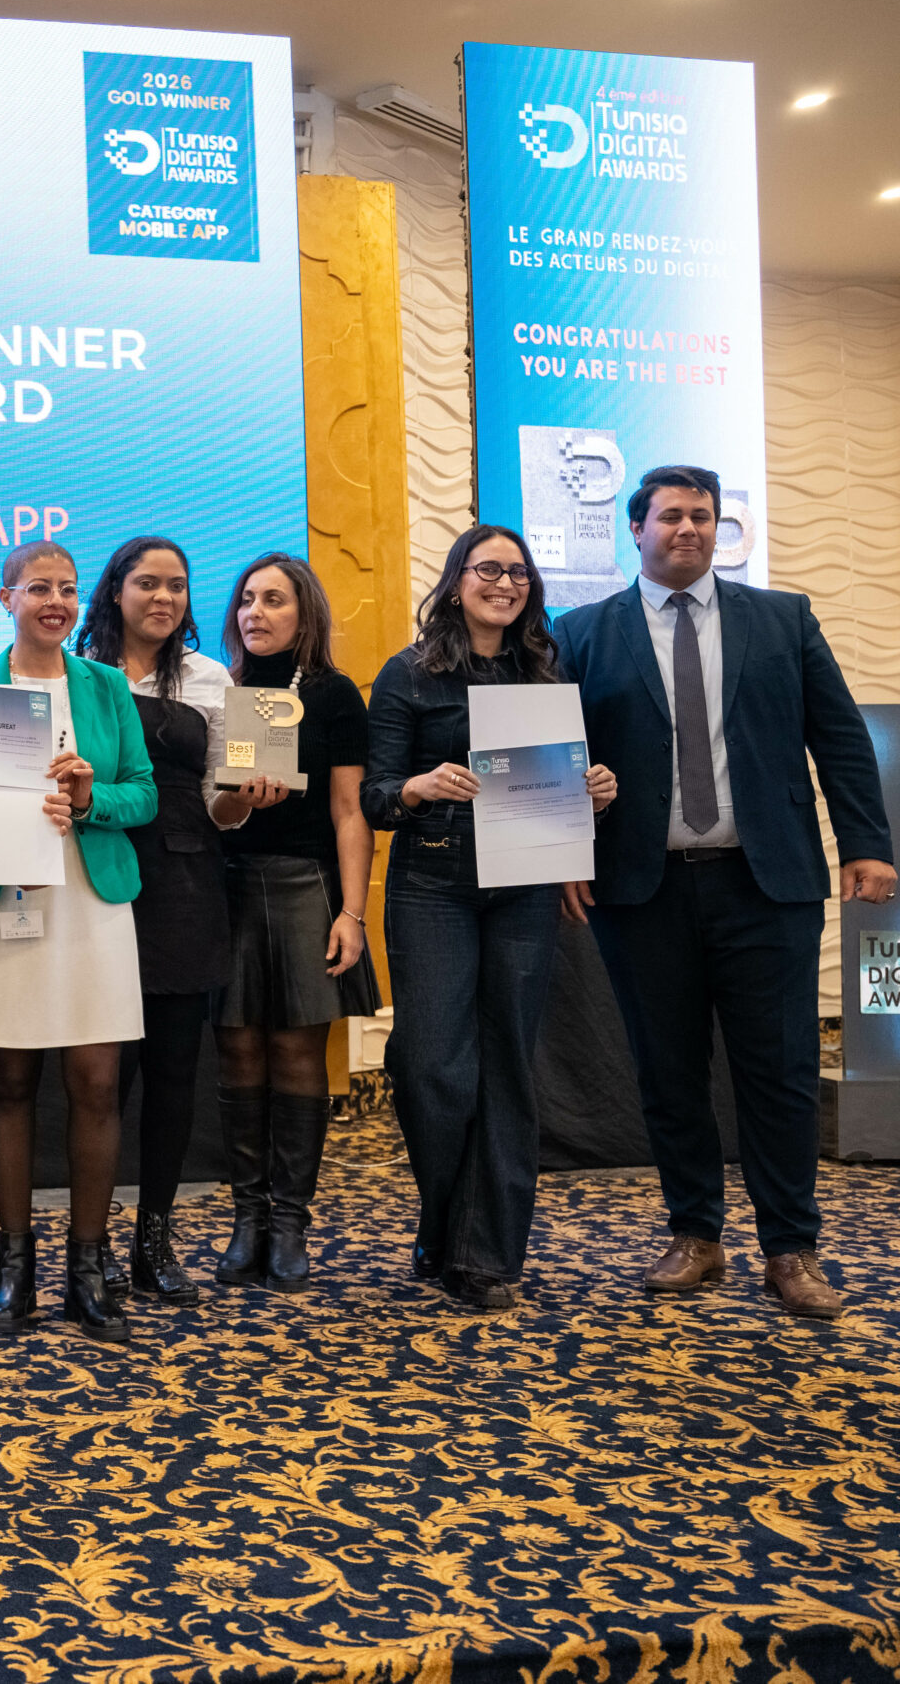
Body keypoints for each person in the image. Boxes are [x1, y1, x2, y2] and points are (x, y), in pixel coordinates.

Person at [555, 465, 893, 1320]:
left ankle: (791, 1248)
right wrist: (562, 852)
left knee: (780, 1071)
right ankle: (695, 1234)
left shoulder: (783, 619)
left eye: (703, 516)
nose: (689, 529)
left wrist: (867, 844)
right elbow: (556, 755)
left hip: (765, 883)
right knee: (668, 1071)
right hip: (642, 887)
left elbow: (840, 735)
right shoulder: (581, 632)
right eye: (671, 515)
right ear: (637, 529)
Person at [362, 526, 617, 1312]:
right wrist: (419, 786)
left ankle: (484, 1254)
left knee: (507, 1062)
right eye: (488, 569)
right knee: (428, 1065)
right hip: (432, 883)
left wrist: (594, 793)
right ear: (456, 579)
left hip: (525, 882)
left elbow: (559, 787)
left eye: (518, 572)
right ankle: (444, 1222)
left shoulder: (546, 671)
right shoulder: (407, 673)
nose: (505, 583)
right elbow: (376, 797)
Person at [0, 541, 156, 1343]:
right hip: (7, 900)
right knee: (9, 1084)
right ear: (6, 597)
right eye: (39, 587)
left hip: (91, 901)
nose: (56, 602)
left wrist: (92, 796)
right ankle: (15, 1266)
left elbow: (144, 795)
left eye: (68, 589)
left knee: (97, 1085)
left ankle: (87, 1266)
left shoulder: (106, 686)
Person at [74, 535, 267, 1305]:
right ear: (115, 590)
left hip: (186, 885)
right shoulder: (77, 672)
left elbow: (223, 806)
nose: (164, 597)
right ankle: (91, 1243)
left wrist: (244, 799)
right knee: (102, 1078)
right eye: (148, 583)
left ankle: (155, 1240)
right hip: (96, 877)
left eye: (178, 586)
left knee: (174, 1074)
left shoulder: (215, 679)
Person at [212, 552, 378, 1293]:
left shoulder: (334, 694)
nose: (256, 612)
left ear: (304, 612)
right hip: (227, 889)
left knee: (296, 1052)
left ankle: (290, 1223)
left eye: (274, 599)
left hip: (307, 885)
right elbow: (207, 805)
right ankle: (247, 1219)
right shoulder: (219, 687)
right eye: (247, 599)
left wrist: (353, 912)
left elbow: (349, 812)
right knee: (238, 1052)